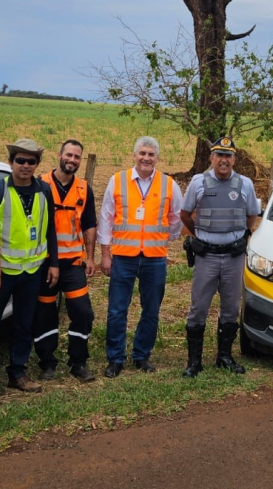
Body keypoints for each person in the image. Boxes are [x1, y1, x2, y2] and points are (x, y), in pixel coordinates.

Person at [0, 138, 59, 404]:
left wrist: (53, 262)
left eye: (31, 161)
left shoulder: (45, 191)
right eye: (20, 161)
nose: (25, 166)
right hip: (1, 273)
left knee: (23, 326)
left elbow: (50, 229)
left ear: (37, 164)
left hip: (32, 272)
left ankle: (17, 373)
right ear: (11, 162)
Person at [98, 136, 183, 378]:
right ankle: (115, 358)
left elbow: (176, 217)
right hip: (123, 257)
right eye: (142, 153)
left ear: (157, 158)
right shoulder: (117, 181)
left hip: (155, 259)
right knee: (117, 309)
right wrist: (105, 254)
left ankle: (141, 355)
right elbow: (106, 217)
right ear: (134, 155)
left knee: (151, 309)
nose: (146, 158)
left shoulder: (169, 184)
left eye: (151, 154)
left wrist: (165, 240)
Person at [179, 137, 260, 377]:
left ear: (234, 159)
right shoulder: (198, 183)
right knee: (199, 308)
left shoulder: (245, 184)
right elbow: (185, 215)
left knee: (231, 308)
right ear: (211, 158)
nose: (224, 160)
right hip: (207, 257)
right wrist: (201, 237)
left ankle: (224, 357)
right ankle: (194, 362)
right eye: (219, 155)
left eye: (228, 156)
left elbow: (252, 216)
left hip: (234, 258)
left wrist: (240, 235)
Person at [35, 139, 98, 382]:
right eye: (69, 155)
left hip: (73, 263)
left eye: (77, 157)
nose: (72, 160)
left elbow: (89, 224)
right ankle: (47, 362)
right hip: (44, 263)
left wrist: (90, 258)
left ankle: (78, 361)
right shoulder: (40, 184)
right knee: (44, 313)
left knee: (83, 312)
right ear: (59, 154)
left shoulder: (84, 189)